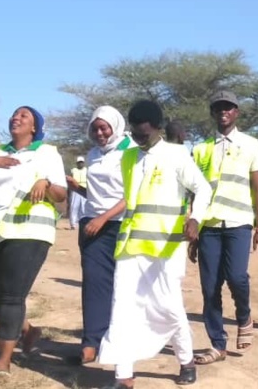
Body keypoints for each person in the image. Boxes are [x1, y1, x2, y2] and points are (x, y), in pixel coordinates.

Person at [97, 100, 212, 388]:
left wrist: (195, 219)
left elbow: (203, 188)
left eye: (144, 134)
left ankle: (186, 360)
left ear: (158, 129)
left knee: (169, 307)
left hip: (166, 249)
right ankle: (124, 376)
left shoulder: (176, 154)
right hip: (130, 246)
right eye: (135, 134)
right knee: (122, 307)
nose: (139, 139)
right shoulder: (128, 157)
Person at [0, 106, 67, 382]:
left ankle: (4, 362)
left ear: (34, 127)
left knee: (11, 295)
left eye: (24, 116)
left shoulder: (47, 153)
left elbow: (60, 194)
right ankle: (28, 330)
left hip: (30, 230)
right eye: (14, 115)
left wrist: (45, 182)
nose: (16, 118)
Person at [191, 90, 258, 365]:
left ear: (237, 113)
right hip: (209, 224)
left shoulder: (251, 144)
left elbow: (257, 186)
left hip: (239, 222)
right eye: (218, 107)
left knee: (237, 277)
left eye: (229, 107)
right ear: (213, 113)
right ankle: (217, 344)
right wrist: (194, 228)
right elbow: (195, 191)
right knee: (210, 287)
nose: (224, 111)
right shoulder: (200, 148)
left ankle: (244, 315)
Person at [65, 106, 135, 365]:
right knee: (94, 285)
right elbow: (96, 195)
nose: (99, 132)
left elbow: (133, 195)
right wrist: (78, 188)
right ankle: (91, 343)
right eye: (95, 128)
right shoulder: (92, 155)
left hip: (120, 225)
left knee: (123, 287)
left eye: (104, 127)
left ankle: (118, 344)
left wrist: (104, 218)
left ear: (115, 126)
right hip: (92, 225)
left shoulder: (130, 151)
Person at [68, 156, 88, 230]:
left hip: (84, 188)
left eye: (82, 162)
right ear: (77, 163)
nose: (80, 164)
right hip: (75, 189)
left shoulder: (87, 170)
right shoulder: (73, 170)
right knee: (74, 207)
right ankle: (73, 224)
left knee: (84, 207)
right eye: (79, 163)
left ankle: (83, 222)